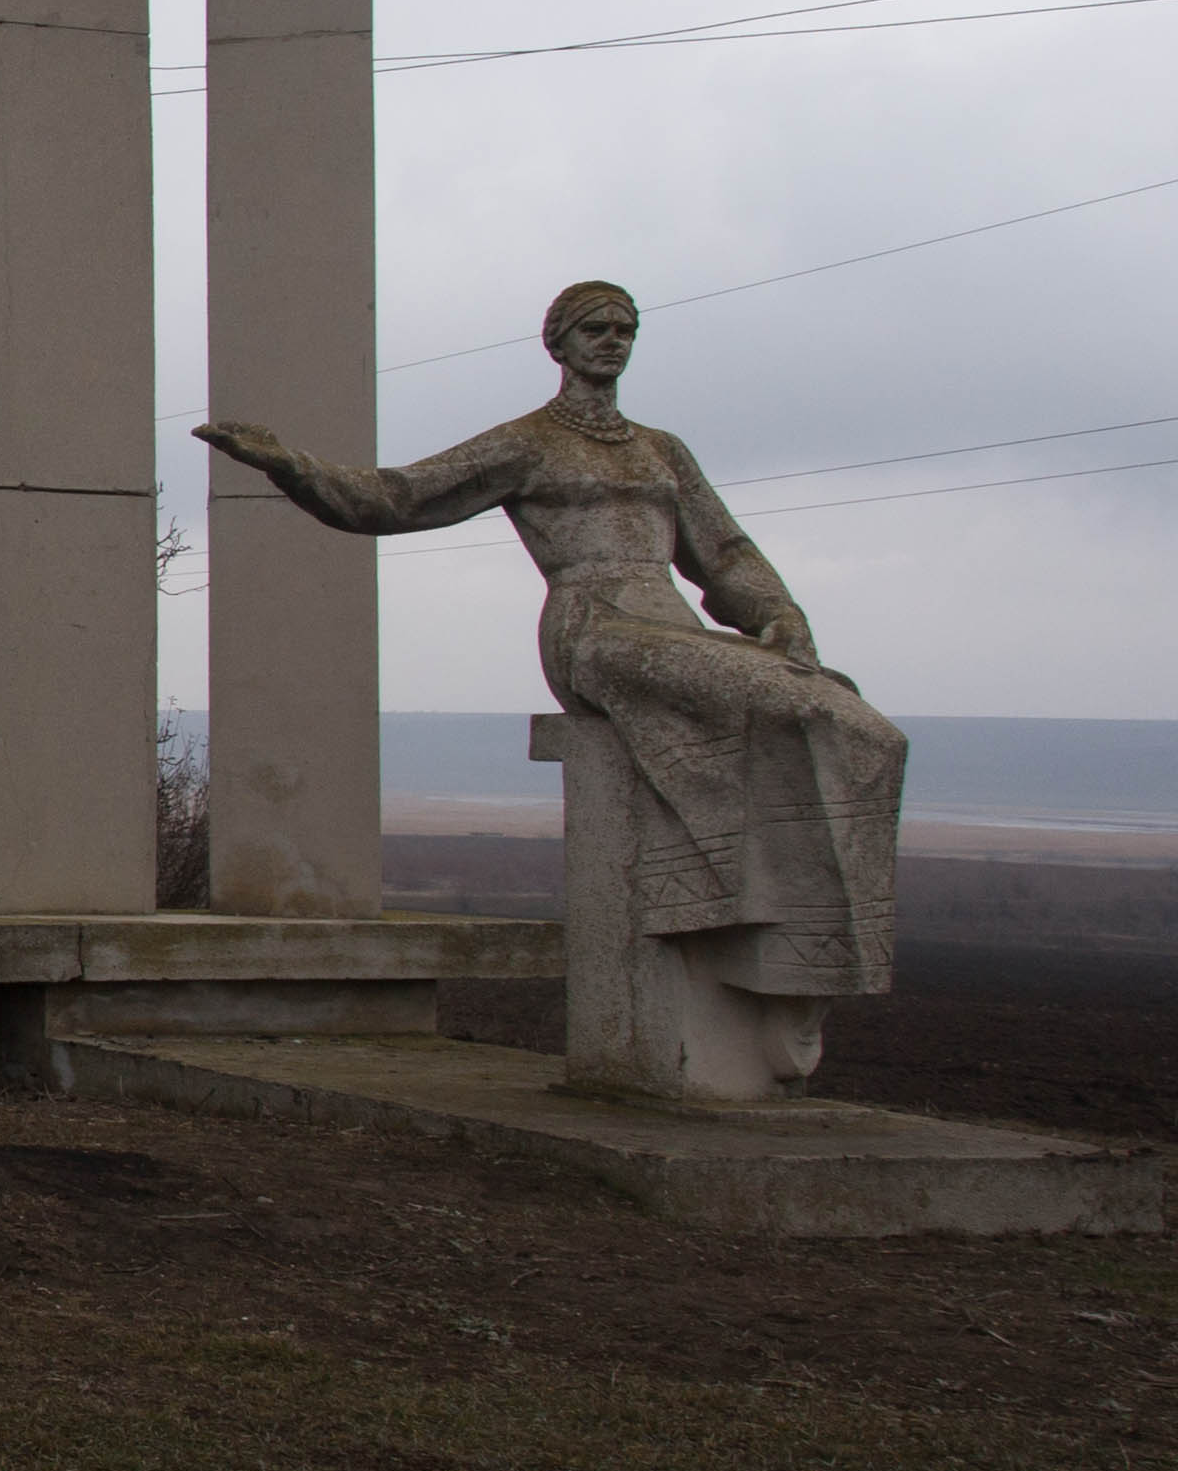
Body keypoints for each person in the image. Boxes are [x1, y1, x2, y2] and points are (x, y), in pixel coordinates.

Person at [196, 280, 902, 1018]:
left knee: (854, 721)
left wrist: (778, 613)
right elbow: (395, 498)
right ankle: (749, 912)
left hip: (675, 632)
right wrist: (288, 464)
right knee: (799, 704)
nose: (612, 339)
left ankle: (796, 941)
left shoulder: (664, 451)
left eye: (625, 328)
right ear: (557, 343)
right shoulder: (528, 443)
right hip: (593, 628)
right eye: (595, 327)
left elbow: (723, 554)